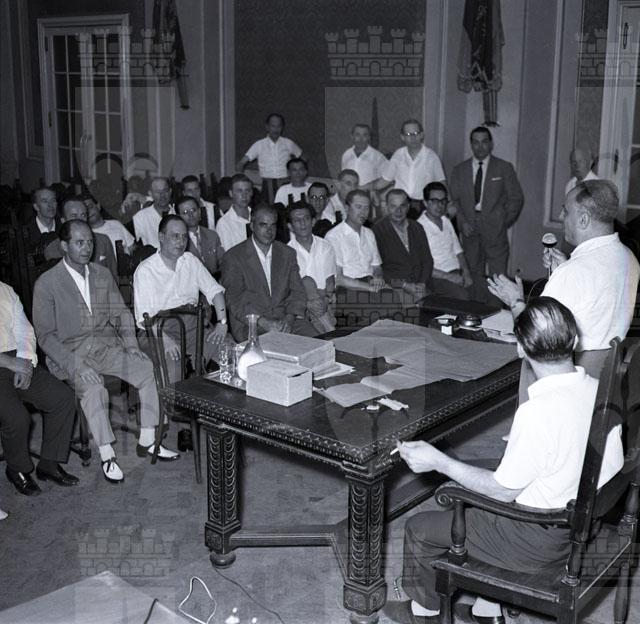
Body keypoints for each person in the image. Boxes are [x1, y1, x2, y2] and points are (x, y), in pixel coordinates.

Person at [384, 297, 624, 624]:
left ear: (521, 349)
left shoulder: (538, 411)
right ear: (575, 340)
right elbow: (610, 463)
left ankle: (424, 612)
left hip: (540, 543)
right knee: (493, 486)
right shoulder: (601, 390)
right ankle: (487, 611)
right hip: (585, 526)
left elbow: (501, 492)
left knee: (420, 529)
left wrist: (440, 462)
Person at [33, 220, 179, 484]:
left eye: (90, 242)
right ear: (64, 246)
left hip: (104, 347)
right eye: (79, 242)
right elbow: (45, 336)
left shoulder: (101, 274)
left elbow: (121, 313)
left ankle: (148, 439)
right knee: (94, 388)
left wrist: (131, 345)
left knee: (147, 369)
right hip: (70, 354)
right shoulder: (47, 283)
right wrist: (77, 366)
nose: (86, 248)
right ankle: (107, 454)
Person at [487, 180, 640, 400]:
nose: (560, 216)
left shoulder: (573, 273)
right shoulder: (628, 257)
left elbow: (534, 342)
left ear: (584, 219)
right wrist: (567, 266)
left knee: (528, 360)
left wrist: (515, 302)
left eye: (566, 211)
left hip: (566, 389)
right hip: (604, 384)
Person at [1, 280, 78, 496]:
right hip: (5, 363)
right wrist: (9, 363)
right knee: (17, 418)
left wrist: (25, 362)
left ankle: (49, 464)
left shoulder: (5, 290)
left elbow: (24, 329)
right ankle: (16, 469)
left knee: (62, 398)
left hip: (18, 359)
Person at [133, 215, 229, 382]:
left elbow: (215, 291)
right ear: (161, 237)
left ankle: (213, 395)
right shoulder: (146, 270)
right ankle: (176, 399)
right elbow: (145, 319)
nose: (181, 242)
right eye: (175, 236)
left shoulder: (190, 260)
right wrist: (166, 341)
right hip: (157, 331)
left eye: (184, 237)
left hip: (193, 327)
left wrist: (222, 323)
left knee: (231, 351)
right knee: (174, 366)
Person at [449, 126, 524, 302]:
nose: (480, 146)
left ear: (490, 144)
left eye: (484, 142)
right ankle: (475, 310)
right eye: (476, 142)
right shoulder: (459, 170)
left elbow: (516, 198)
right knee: (472, 273)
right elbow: (454, 201)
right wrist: (462, 222)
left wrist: (503, 221)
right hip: (469, 229)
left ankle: (496, 311)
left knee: (499, 276)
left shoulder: (504, 168)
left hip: (495, 230)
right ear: (471, 144)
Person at [221, 204, 314, 341]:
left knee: (319, 343)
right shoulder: (233, 257)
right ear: (252, 226)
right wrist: (264, 322)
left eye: (273, 225)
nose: (269, 230)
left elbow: (297, 291)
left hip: (286, 321)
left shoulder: (287, 253)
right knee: (278, 347)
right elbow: (234, 300)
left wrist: (289, 319)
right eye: (263, 225)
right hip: (252, 324)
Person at [372, 189, 433, 301]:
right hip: (395, 287)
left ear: (408, 206)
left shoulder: (417, 227)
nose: (398, 211)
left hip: (421, 285)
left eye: (402, 206)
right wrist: (404, 285)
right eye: (393, 206)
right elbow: (378, 269)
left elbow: (427, 260)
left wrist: (422, 283)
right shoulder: (377, 231)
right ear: (386, 207)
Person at [417, 182, 473, 300]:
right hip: (437, 278)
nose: (440, 205)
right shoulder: (418, 228)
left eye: (443, 201)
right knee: (463, 297)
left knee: (490, 290)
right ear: (425, 203)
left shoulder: (446, 220)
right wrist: (449, 277)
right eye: (435, 201)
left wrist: (466, 272)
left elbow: (458, 251)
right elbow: (421, 266)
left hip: (457, 272)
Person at [287, 201, 337, 333]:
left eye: (306, 218)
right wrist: (308, 304)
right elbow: (290, 289)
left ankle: (324, 327)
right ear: (290, 226)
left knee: (308, 284)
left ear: (313, 221)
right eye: (297, 220)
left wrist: (324, 300)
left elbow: (330, 281)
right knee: (306, 282)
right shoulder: (286, 252)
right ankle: (329, 329)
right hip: (301, 305)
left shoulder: (325, 246)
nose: (303, 223)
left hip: (325, 301)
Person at [380, 119, 446, 218]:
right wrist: (368, 188)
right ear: (402, 137)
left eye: (416, 133)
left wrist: (449, 204)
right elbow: (384, 180)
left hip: (422, 206)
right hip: (401, 205)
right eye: (408, 134)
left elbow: (442, 183)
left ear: (421, 135)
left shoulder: (431, 157)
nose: (413, 138)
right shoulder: (398, 155)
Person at [325, 190, 386, 293]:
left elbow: (377, 267)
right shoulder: (334, 236)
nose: (363, 212)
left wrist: (378, 277)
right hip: (348, 287)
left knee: (394, 296)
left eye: (366, 208)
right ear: (347, 208)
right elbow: (338, 278)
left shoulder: (369, 233)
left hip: (370, 283)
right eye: (358, 207)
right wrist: (368, 287)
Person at [43, 197, 118, 279]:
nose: (80, 220)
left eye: (83, 215)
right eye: (74, 216)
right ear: (63, 220)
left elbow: (114, 277)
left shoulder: (103, 240)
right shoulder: (52, 250)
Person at [237, 113, 303, 203]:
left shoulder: (288, 143)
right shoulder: (259, 145)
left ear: (282, 128)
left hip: (286, 183)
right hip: (268, 186)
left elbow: (303, 157)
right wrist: (243, 181)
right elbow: (241, 163)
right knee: (268, 209)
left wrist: (297, 173)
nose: (276, 129)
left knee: (288, 208)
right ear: (267, 127)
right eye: (273, 126)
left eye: (279, 126)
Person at [176, 197, 225, 276]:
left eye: (193, 210)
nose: (190, 215)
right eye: (185, 212)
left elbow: (223, 263)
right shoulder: (177, 241)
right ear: (179, 217)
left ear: (199, 212)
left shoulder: (212, 235)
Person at [133, 177, 175, 248]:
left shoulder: (178, 213)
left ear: (170, 191)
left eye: (165, 191)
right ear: (150, 194)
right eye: (158, 192)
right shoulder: (140, 217)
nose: (162, 195)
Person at [341, 124, 387, 188]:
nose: (361, 139)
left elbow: (387, 179)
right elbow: (343, 178)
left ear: (369, 137)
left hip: (368, 193)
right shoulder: (346, 155)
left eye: (365, 135)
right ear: (352, 136)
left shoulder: (378, 157)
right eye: (357, 135)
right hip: (349, 193)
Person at [215, 173, 253, 251]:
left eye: (247, 190)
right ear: (231, 193)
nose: (244, 195)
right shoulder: (224, 224)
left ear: (251, 193)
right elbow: (228, 255)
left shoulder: (257, 216)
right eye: (239, 191)